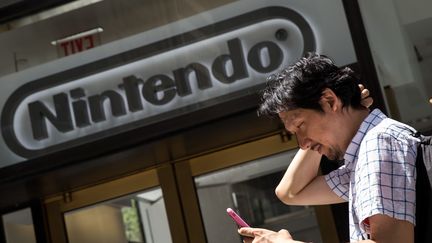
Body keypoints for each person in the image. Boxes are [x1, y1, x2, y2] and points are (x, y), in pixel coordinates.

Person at [238, 53, 419, 243]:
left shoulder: (378, 143)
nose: (303, 143)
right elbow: (290, 192)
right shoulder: (362, 159)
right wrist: (346, 112)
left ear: (329, 101)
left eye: (300, 126)